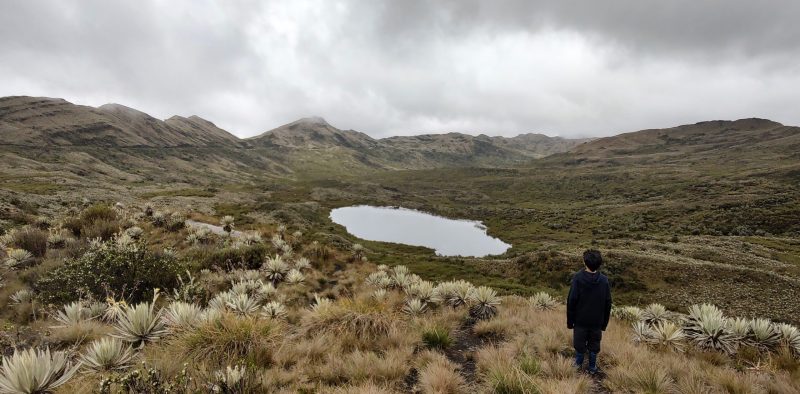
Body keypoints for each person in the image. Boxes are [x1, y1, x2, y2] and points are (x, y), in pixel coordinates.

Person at [567, 249, 612, 374]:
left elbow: (572, 301)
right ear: (599, 264)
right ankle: (592, 367)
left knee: (579, 344)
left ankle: (578, 365)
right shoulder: (604, 280)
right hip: (597, 322)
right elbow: (608, 303)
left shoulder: (578, 278)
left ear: (584, 262)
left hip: (580, 321)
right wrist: (604, 324)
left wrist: (570, 322)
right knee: (594, 345)